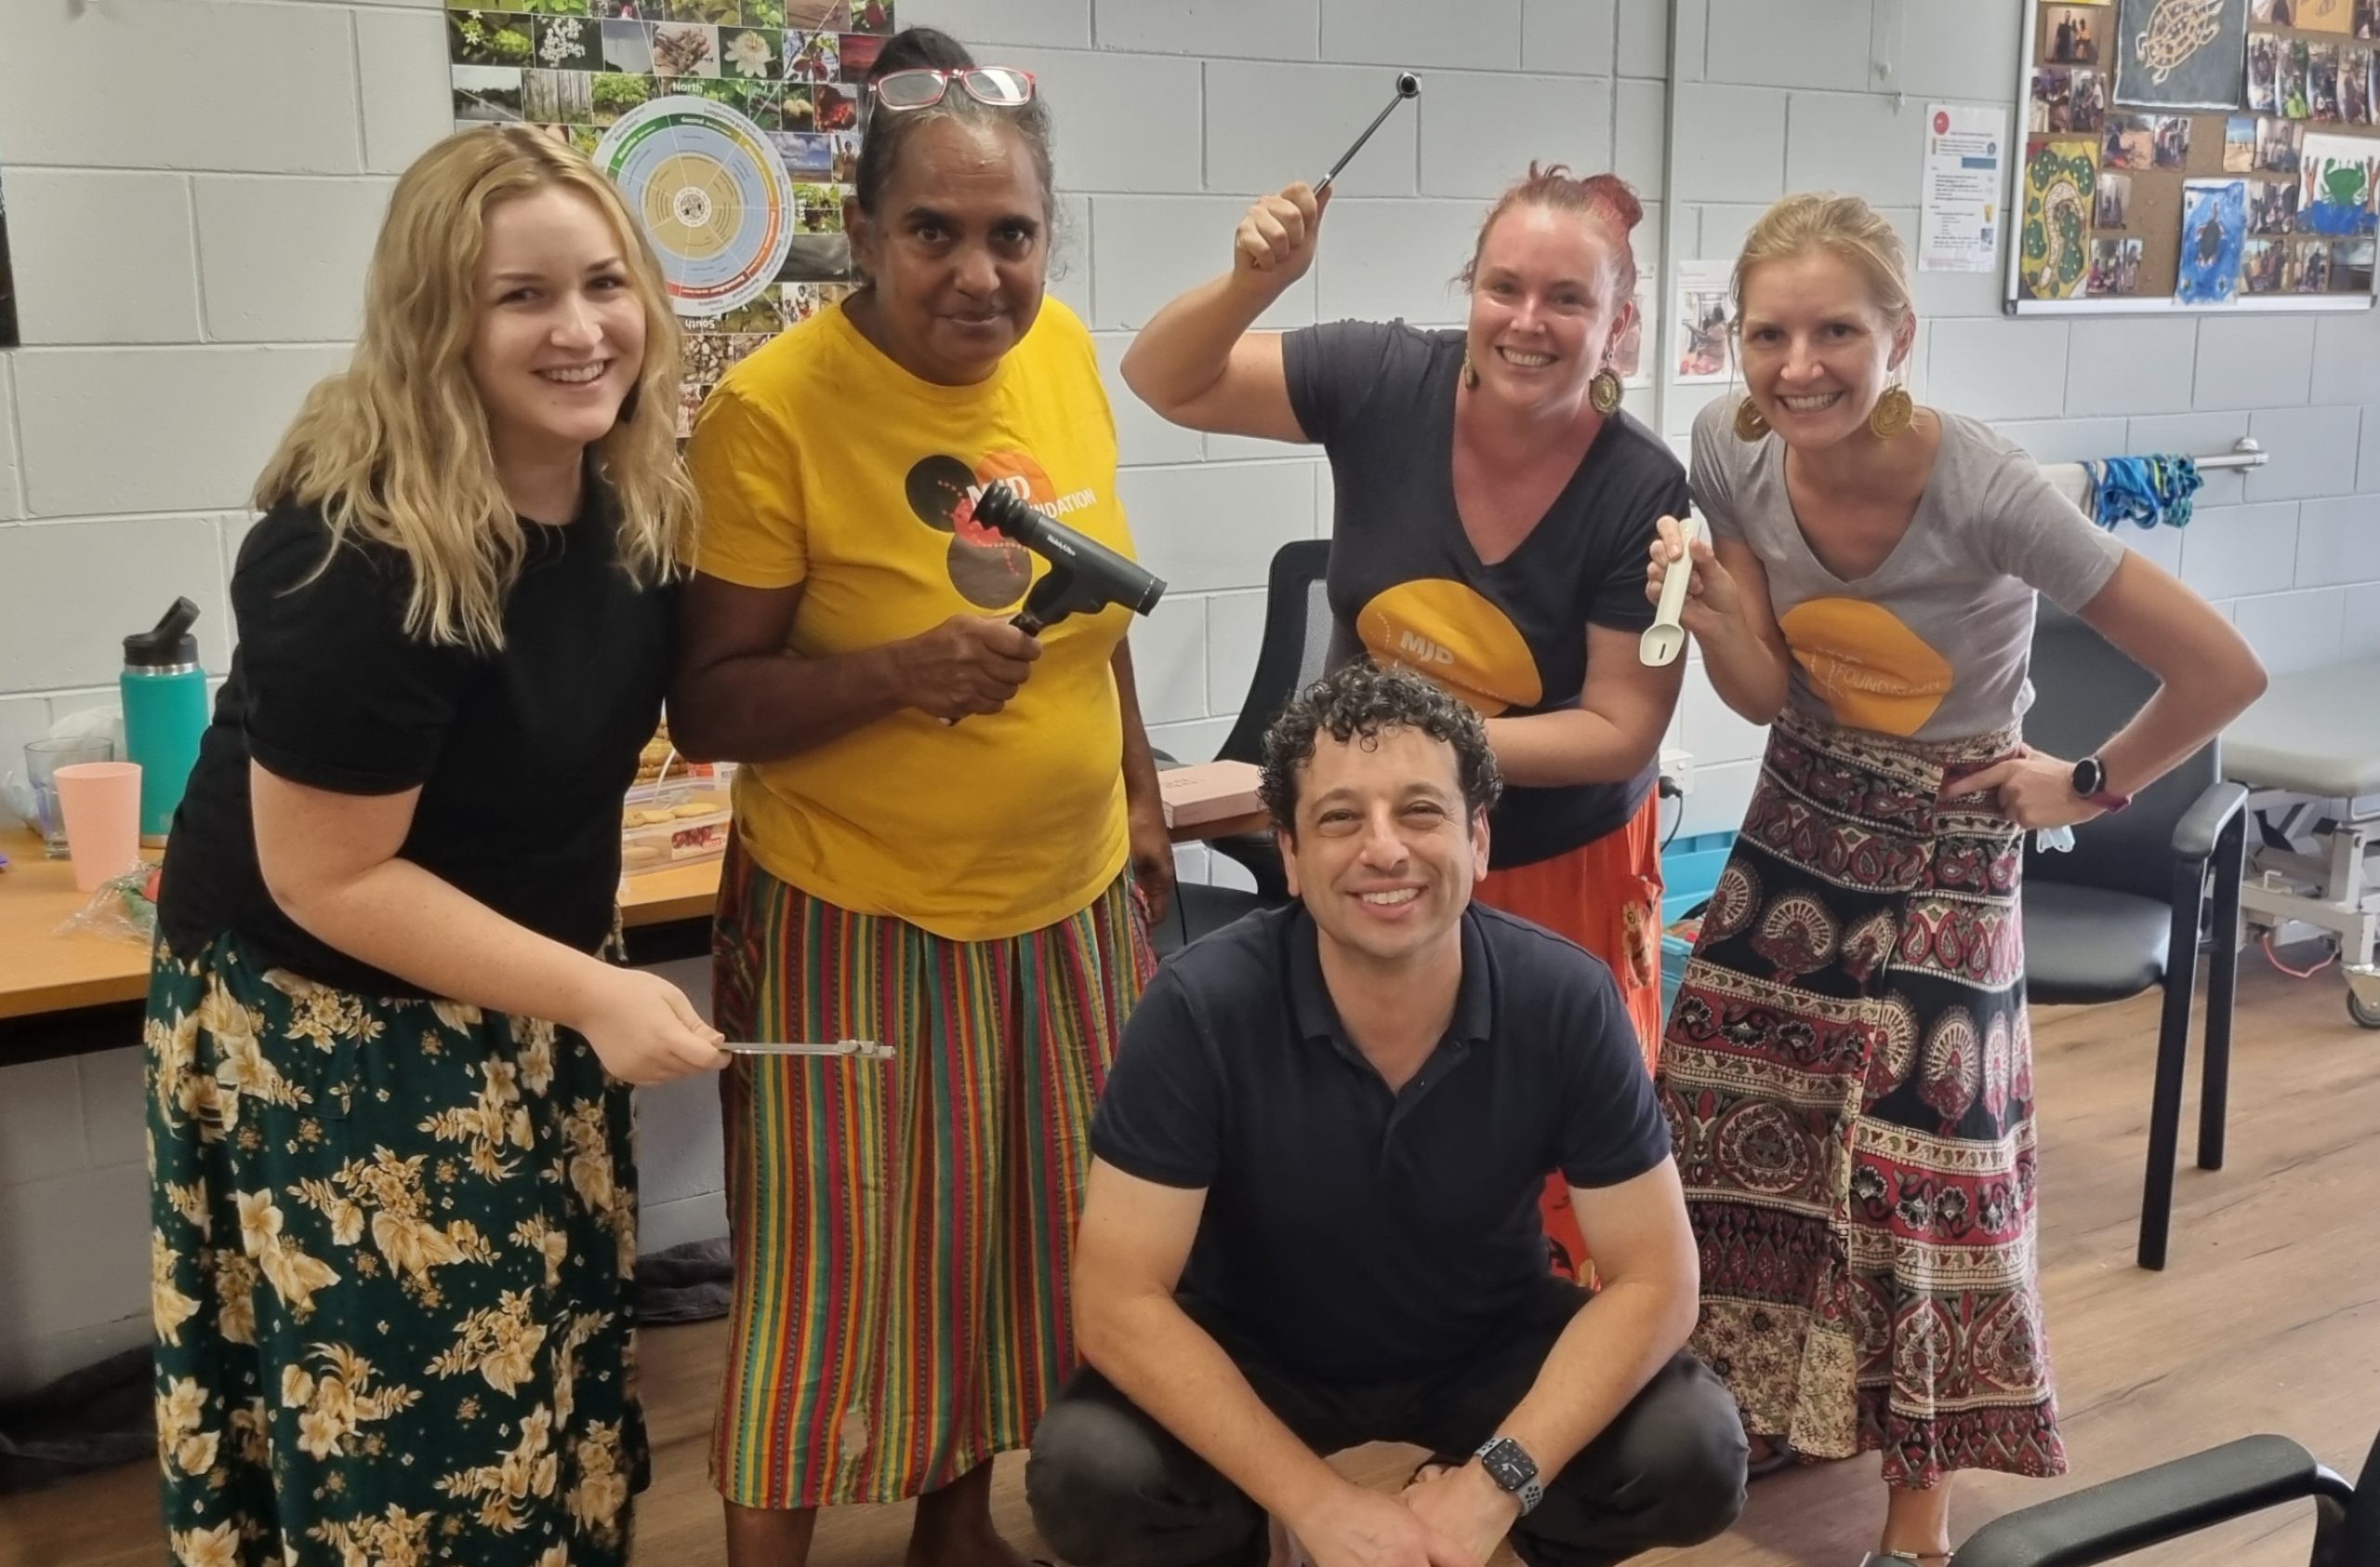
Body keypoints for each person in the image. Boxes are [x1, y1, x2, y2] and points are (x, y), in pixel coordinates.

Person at [1647, 193, 2266, 1567]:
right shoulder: (1727, 451)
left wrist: (2086, 781)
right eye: (1767, 334)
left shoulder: (1987, 486)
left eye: (1834, 331)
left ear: (1899, 335)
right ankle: (1772, 1403)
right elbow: (1761, 693)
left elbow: (2221, 668)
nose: (1798, 364)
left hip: (1952, 829)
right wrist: (1716, 617)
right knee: (1724, 1101)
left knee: (1919, 1160)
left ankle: (1916, 1519)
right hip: (1801, 805)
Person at [144, 126, 723, 1567]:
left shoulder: (633, 496)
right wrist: (590, 991)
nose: (580, 329)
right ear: (435, 319)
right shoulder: (357, 549)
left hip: (526, 983)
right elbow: (325, 876)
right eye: (522, 295)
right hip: (343, 1018)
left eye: (605, 282)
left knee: (549, 1371)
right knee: (415, 1422)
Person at [668, 26, 1165, 1567]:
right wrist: (895, 673)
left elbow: (1101, 616)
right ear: (863, 232)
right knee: (825, 1281)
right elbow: (707, 705)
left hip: (1069, 903)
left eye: (1012, 234)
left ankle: (956, 1533)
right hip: (856, 913)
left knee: (1021, 1252)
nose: (978, 274)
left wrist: (1144, 809)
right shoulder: (772, 412)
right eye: (934, 231)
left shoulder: (1063, 352)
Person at [1024, 662, 1746, 1567]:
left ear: (1478, 838)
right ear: (1290, 854)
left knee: (1690, 1449)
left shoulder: (1565, 997)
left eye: (1420, 811)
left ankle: (1480, 1530)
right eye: (1339, 818)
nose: (1384, 849)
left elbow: (1658, 1279)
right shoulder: (1197, 1008)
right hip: (1259, 1346)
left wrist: (1494, 1484)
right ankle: (1258, 1540)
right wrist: (1317, 1505)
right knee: (1090, 1472)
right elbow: (1116, 1300)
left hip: (1487, 1337)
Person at [1118, 165, 1689, 1278]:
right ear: (1470, 288)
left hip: (1555, 865)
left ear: (1618, 323)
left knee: (1552, 1165)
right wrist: (1253, 282)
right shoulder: (1380, 378)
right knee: (1370, 1130)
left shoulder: (1640, 487)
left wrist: (1407, 757)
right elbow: (1162, 377)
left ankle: (1558, 1365)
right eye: (1503, 287)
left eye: (1567, 299)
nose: (1526, 321)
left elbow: (1618, 728)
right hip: (1378, 847)